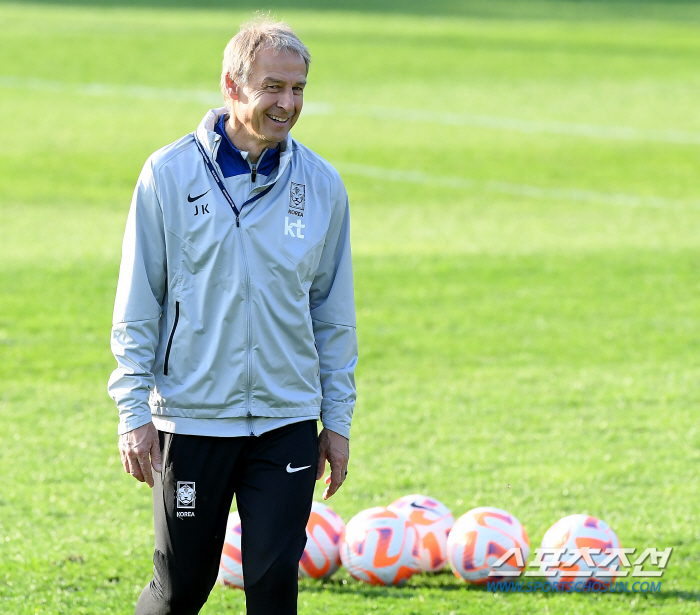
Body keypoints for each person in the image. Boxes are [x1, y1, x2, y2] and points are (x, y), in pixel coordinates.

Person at [108, 17, 357, 615]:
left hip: (286, 420)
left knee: (273, 588)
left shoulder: (321, 185)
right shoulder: (167, 174)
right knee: (180, 591)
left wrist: (337, 418)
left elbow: (333, 313)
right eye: (273, 87)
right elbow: (138, 302)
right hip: (193, 420)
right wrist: (132, 411)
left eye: (298, 89)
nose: (288, 103)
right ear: (231, 85)